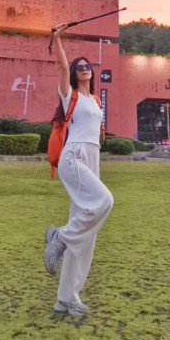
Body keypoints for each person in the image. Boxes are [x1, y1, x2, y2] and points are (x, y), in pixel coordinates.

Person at [43, 23, 114, 317]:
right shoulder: (68, 94)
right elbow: (61, 65)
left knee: (88, 233)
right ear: (74, 73)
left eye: (88, 66)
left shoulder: (95, 100)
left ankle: (67, 298)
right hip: (74, 157)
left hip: (92, 158)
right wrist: (57, 39)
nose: (84, 68)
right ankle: (59, 237)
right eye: (79, 66)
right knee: (104, 202)